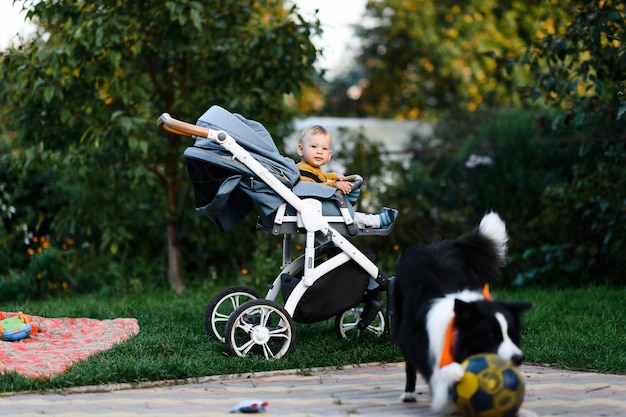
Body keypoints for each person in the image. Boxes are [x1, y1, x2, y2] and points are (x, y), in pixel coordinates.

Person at [296, 125, 395, 229]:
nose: (319, 151)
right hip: (312, 208)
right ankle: (375, 221)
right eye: (314, 146)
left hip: (315, 206)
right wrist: (334, 185)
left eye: (324, 148)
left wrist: (334, 176)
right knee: (346, 215)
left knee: (347, 213)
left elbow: (321, 177)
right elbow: (310, 188)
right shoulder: (303, 169)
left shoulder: (310, 168)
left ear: (329, 155)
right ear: (300, 149)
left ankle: (348, 201)